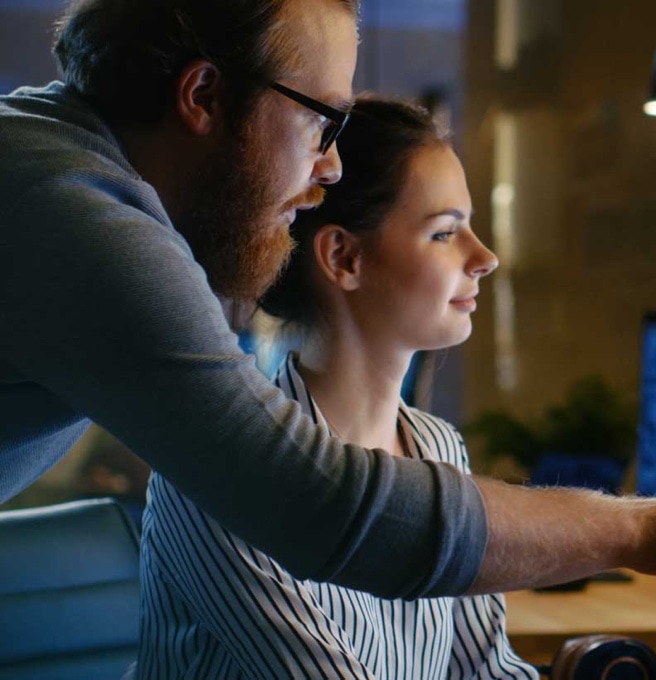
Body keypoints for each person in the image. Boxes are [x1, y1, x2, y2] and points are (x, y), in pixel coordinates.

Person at [0, 0, 656, 602]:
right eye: (322, 122)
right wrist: (646, 531)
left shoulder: (60, 179)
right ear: (204, 98)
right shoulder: (76, 215)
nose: (329, 168)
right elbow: (319, 506)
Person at [139, 95, 538, 679]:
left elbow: (486, 670)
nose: (485, 258)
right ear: (344, 257)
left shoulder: (440, 449)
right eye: (444, 233)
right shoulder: (214, 476)